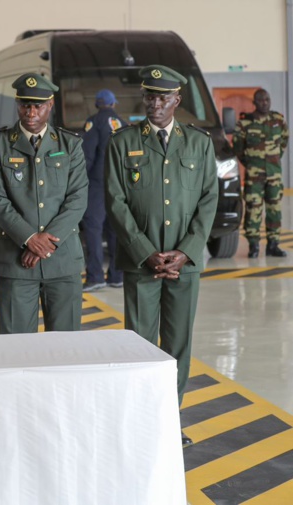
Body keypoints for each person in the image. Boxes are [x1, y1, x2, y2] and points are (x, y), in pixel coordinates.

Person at [105, 65, 219, 446]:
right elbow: (115, 202)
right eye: (150, 96)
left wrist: (186, 252)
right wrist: (145, 252)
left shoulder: (198, 143)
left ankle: (169, 421)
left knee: (178, 345)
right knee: (139, 343)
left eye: (163, 98)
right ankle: (141, 423)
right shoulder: (122, 142)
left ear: (177, 101)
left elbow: (208, 201)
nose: (155, 104)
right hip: (142, 265)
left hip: (184, 267)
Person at [0, 73, 88, 334]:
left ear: (50, 105)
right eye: (25, 104)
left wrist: (43, 244)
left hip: (62, 262)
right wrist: (29, 238)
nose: (31, 112)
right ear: (17, 104)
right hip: (15, 262)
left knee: (66, 348)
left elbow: (77, 198)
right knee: (18, 348)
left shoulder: (70, 145)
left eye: (38, 105)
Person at [232, 88, 289, 258]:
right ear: (254, 103)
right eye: (261, 100)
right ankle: (254, 246)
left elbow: (284, 142)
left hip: (274, 174)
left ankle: (273, 245)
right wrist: (250, 163)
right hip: (254, 175)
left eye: (267, 99)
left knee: (274, 209)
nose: (265, 102)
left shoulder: (278, 120)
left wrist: (274, 159)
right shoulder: (244, 123)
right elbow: (238, 148)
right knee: (253, 209)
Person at [81, 90, 125, 292]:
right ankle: (117, 276)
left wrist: (79, 182)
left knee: (93, 230)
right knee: (115, 230)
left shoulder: (93, 122)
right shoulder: (122, 124)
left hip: (96, 185)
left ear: (97, 105)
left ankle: (95, 276)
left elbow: (88, 154)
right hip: (118, 184)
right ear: (113, 104)